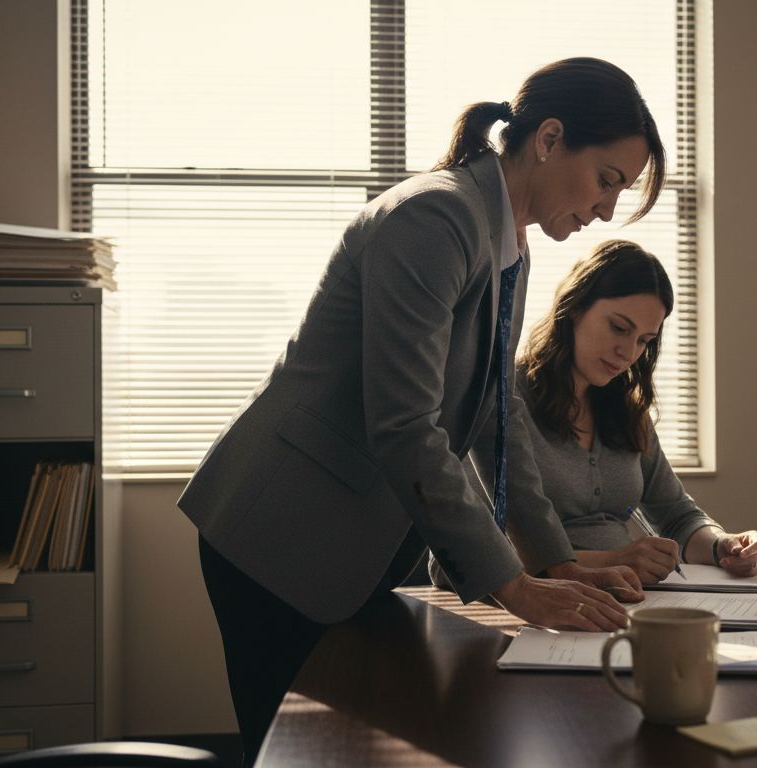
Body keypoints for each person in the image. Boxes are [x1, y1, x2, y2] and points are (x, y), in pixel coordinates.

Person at [177, 57, 667, 761]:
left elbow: (500, 424)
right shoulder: (436, 215)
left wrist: (556, 563)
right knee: (299, 753)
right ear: (550, 139)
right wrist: (512, 584)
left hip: (359, 539)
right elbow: (407, 426)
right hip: (280, 535)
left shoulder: (509, 244)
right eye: (607, 181)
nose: (606, 211)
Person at [512, 239, 757, 585]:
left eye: (644, 340)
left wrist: (723, 546)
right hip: (539, 610)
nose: (628, 353)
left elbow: (676, 516)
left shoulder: (623, 408)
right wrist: (611, 561)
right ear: (574, 306)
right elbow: (473, 552)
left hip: (627, 603)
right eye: (619, 328)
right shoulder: (505, 398)